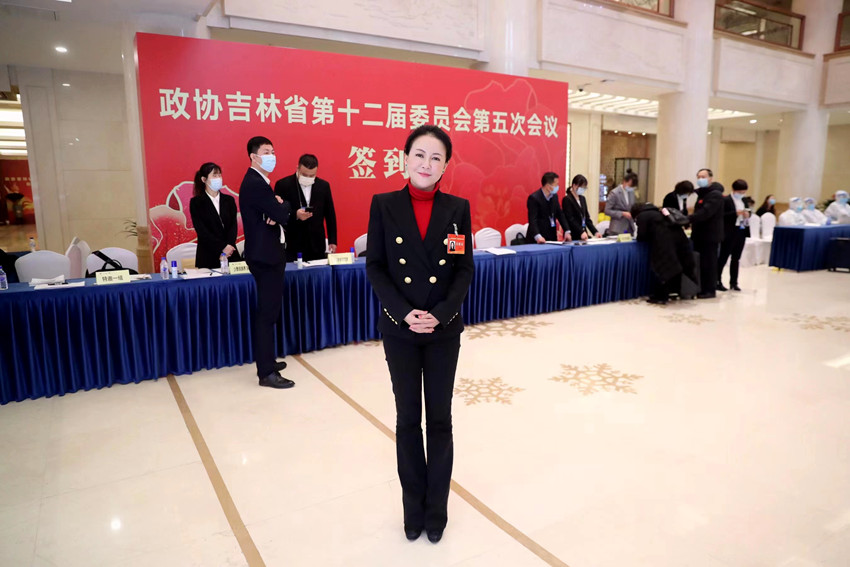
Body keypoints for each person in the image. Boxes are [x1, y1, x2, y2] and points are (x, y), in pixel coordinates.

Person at [366, 125, 474, 545]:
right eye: (419, 155)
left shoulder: (457, 208)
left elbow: (463, 268)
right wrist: (403, 312)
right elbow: (376, 266)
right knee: (408, 420)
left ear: (445, 166)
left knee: (440, 421)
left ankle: (436, 511)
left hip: (443, 331)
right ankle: (413, 510)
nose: (426, 164)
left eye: (436, 158)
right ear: (405, 158)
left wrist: (441, 314)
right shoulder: (384, 204)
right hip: (401, 330)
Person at [239, 136, 294, 389]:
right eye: (266, 152)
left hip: (268, 254)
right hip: (265, 256)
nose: (271, 155)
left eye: (273, 151)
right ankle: (266, 373)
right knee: (266, 315)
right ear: (254, 156)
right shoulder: (255, 183)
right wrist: (281, 206)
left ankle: (268, 361)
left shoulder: (260, 182)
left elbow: (279, 212)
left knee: (269, 313)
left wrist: (280, 206)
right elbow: (281, 213)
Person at [274, 154, 338, 262]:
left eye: (312, 175)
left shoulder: (323, 186)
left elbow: (330, 214)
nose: (308, 178)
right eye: (304, 175)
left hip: (317, 244)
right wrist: (295, 214)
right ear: (297, 168)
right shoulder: (283, 185)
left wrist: (333, 240)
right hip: (292, 243)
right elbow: (277, 212)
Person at [633, 202, 696, 304]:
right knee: (676, 265)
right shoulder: (660, 212)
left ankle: (661, 297)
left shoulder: (643, 216)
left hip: (664, 243)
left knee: (663, 268)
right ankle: (674, 292)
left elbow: (642, 236)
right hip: (679, 240)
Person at [189, 162, 242, 269]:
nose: (218, 178)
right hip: (208, 254)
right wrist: (222, 247)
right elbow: (202, 230)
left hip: (230, 253)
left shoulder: (229, 200)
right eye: (214, 175)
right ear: (204, 179)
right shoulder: (196, 202)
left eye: (219, 175)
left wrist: (228, 247)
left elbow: (233, 226)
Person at [688, 168, 724, 299]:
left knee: (709, 263)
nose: (700, 179)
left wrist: (688, 219)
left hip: (709, 236)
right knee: (701, 263)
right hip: (699, 234)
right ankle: (701, 288)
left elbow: (705, 213)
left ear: (710, 178)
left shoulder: (715, 195)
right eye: (698, 177)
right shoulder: (702, 194)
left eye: (703, 177)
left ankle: (709, 289)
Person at [717, 179, 751, 292]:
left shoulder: (744, 200)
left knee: (736, 258)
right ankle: (717, 280)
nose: (742, 194)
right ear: (734, 190)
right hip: (729, 231)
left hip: (741, 230)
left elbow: (748, 210)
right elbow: (721, 215)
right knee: (723, 257)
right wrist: (735, 213)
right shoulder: (726, 200)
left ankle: (734, 282)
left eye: (743, 192)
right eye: (740, 192)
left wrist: (747, 214)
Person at [525, 172, 572, 243]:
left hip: (551, 237)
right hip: (537, 239)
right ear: (548, 186)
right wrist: (538, 236)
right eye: (556, 185)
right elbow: (533, 220)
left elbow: (560, 214)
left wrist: (567, 231)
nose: (557, 187)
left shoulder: (554, 196)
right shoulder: (534, 198)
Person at [561, 174, 601, 241]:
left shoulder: (582, 199)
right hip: (573, 234)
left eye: (584, 188)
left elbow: (587, 218)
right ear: (574, 185)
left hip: (584, 234)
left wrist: (595, 232)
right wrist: (581, 232)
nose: (583, 189)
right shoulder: (567, 199)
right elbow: (570, 219)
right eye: (581, 187)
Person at [606, 169, 638, 236]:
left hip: (630, 227)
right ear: (624, 181)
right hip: (617, 228)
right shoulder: (614, 193)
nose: (630, 188)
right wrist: (622, 213)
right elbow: (607, 211)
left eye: (632, 187)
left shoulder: (631, 193)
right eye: (629, 186)